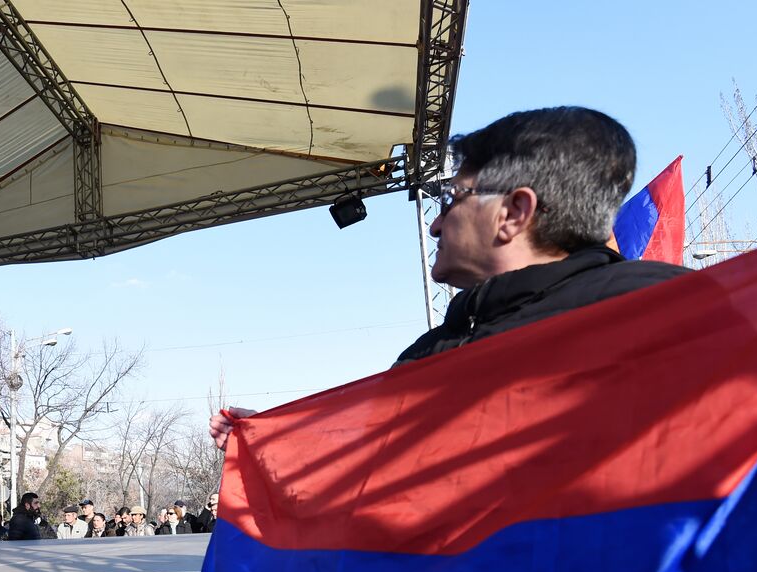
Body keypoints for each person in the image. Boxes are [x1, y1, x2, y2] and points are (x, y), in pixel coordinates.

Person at [208, 106, 690, 452]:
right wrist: (277, 445)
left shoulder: (666, 320)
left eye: (454, 198)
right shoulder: (427, 356)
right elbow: (370, 472)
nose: (436, 224)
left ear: (513, 212)